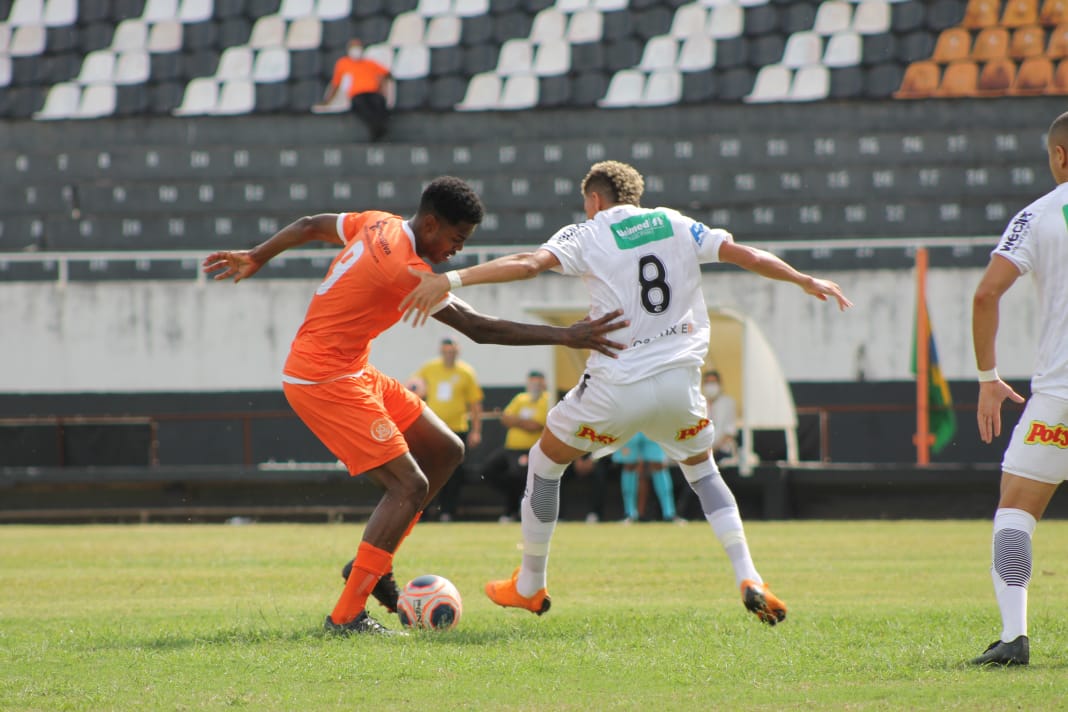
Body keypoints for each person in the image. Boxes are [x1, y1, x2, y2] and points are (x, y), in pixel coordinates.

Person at [400, 160, 852, 624]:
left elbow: (527, 264)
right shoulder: (675, 223)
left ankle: (530, 584)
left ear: (594, 200)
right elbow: (744, 254)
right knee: (704, 473)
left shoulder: (589, 232)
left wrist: (450, 279)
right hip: (680, 385)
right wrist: (802, 278)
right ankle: (749, 575)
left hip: (617, 384)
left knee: (544, 461)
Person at [201, 176, 627, 636]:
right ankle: (345, 618)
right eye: (456, 238)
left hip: (351, 367)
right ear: (429, 224)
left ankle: (374, 565)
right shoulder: (405, 269)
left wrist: (257, 255)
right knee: (408, 484)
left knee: (446, 449)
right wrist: (566, 335)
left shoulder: (377, 222)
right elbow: (479, 328)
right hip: (322, 377)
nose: (456, 251)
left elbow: (310, 225)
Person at [969, 111, 1068, 666]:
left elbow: (986, 296)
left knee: (1015, 512)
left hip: (1059, 395)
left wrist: (988, 379)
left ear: (1059, 156)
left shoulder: (1040, 214)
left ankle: (1014, 639)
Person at [414, 338, 485, 521]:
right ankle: (425, 511)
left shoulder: (465, 372)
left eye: (452, 350)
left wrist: (476, 431)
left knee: (453, 472)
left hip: (456, 428)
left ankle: (448, 511)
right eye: (446, 351)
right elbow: (414, 388)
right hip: (432, 428)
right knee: (427, 469)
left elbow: (475, 404)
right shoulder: (429, 368)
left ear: (458, 351)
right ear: (441, 351)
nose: (449, 354)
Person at [482, 370, 551, 522]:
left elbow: (535, 425)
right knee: (489, 469)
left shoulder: (547, 400)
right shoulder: (520, 398)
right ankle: (515, 501)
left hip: (530, 449)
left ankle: (513, 510)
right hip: (510, 448)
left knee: (517, 473)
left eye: (538, 383)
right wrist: (522, 422)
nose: (535, 386)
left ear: (544, 384)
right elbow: (505, 418)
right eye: (532, 382)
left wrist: (516, 421)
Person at [313, 39, 392, 142]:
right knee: (362, 106)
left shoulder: (370, 63)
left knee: (379, 103)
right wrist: (328, 101)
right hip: (357, 94)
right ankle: (377, 129)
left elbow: (386, 74)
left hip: (372, 92)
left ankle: (379, 129)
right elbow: (336, 84)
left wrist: (381, 85)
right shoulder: (343, 63)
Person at [611, 432, 679, 523]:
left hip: (652, 423)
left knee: (658, 464)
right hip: (631, 424)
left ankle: (669, 514)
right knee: (630, 464)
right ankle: (630, 514)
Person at [703, 370, 739, 463]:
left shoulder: (728, 403)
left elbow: (730, 431)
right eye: (707, 383)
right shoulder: (699, 404)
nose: (710, 386)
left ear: (719, 384)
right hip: (702, 453)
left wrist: (713, 450)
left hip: (722, 451)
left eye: (713, 382)